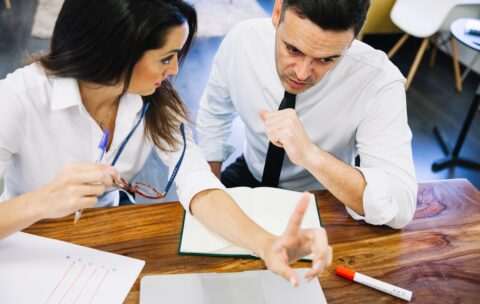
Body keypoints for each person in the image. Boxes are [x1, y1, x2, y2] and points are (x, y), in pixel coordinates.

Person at [0, 0, 332, 286]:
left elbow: (197, 182)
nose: (174, 70)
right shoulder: (18, 99)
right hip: (25, 246)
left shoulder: (153, 100)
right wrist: (41, 201)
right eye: (166, 57)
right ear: (118, 53)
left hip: (103, 242)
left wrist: (266, 243)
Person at [196, 0, 418, 229]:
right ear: (277, 11)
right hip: (251, 174)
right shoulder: (242, 41)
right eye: (293, 49)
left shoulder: (378, 80)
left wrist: (310, 154)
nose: (301, 74)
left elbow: (400, 208)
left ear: (352, 40)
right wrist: (212, 191)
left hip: (326, 193)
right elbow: (214, 115)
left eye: (326, 59)